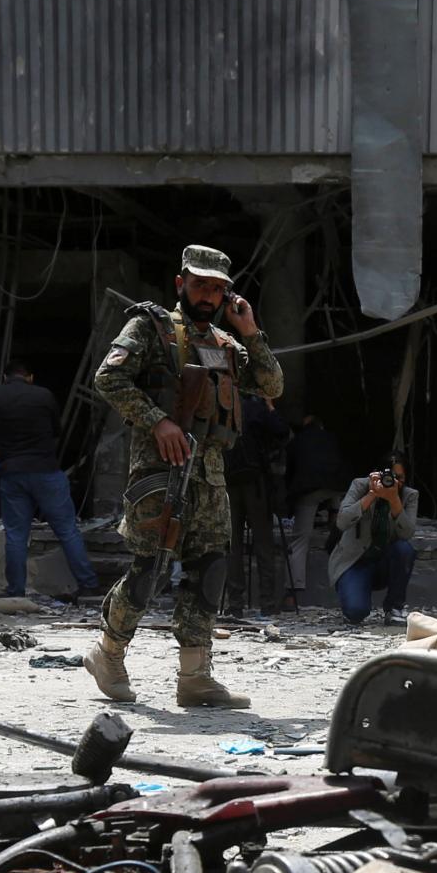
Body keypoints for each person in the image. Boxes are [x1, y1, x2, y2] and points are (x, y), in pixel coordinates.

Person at [85, 243, 284, 710]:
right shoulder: (150, 328)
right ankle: (108, 653)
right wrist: (158, 419)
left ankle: (195, 677)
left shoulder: (225, 343)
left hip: (211, 477)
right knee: (148, 570)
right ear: (181, 284)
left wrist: (250, 330)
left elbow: (272, 384)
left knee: (209, 572)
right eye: (200, 285)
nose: (209, 296)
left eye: (218, 289)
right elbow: (108, 379)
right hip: (160, 468)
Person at [0, 359, 95, 600]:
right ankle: (88, 584)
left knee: (16, 535)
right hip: (46, 471)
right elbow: (56, 431)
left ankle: (15, 590)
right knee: (67, 530)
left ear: (4, 377)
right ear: (30, 377)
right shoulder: (44, 396)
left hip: (12, 473)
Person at [329, 453, 419, 625]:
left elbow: (407, 533)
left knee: (404, 549)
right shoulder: (359, 485)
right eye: (391, 477)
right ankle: (353, 592)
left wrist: (394, 501)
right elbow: (341, 521)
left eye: (400, 478)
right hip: (356, 561)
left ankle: (394, 608)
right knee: (356, 613)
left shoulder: (409, 495)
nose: (395, 482)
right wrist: (371, 495)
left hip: (384, 561)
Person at [223, 392, 290, 615]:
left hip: (229, 479)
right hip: (256, 481)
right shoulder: (258, 408)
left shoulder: (224, 404)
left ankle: (235, 605)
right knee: (263, 543)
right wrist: (270, 407)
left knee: (233, 545)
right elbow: (282, 432)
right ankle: (267, 604)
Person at [280, 410, 346, 611]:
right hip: (335, 484)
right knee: (335, 491)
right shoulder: (331, 438)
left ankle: (291, 594)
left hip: (309, 490)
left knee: (300, 539)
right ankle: (334, 518)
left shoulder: (296, 442)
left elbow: (288, 476)